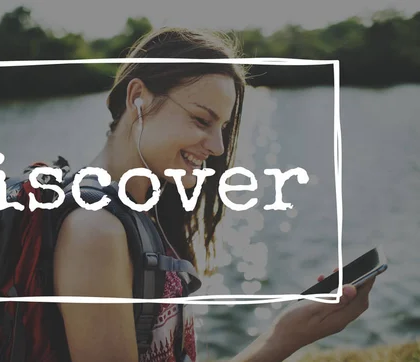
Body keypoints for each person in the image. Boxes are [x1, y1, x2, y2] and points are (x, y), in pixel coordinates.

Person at [52, 27, 375, 362]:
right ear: (138, 98)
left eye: (221, 127)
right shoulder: (94, 231)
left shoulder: (143, 211)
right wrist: (283, 339)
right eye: (201, 120)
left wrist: (286, 335)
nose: (218, 146)